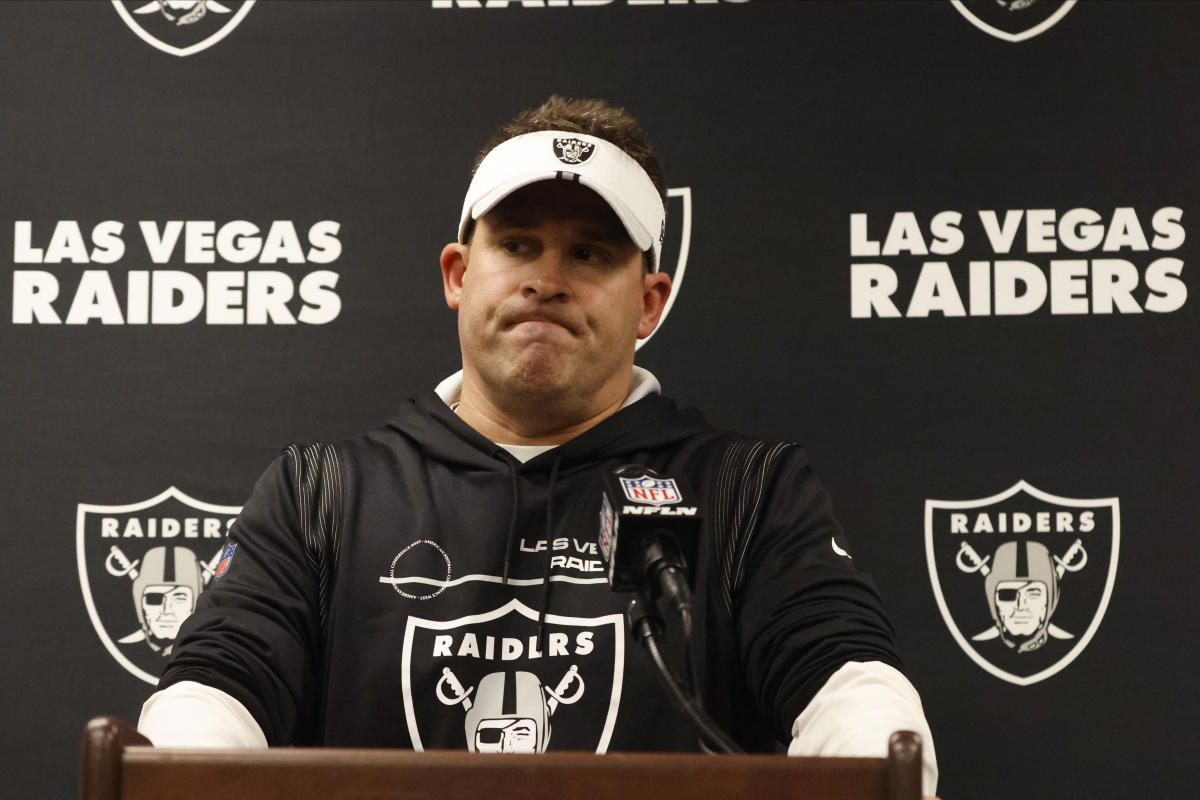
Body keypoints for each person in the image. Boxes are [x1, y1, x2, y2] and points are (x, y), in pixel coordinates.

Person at [139, 96, 938, 796]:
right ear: (458, 274)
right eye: (518, 244)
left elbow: (845, 679)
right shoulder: (320, 494)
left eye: (589, 253)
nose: (547, 279)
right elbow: (217, 687)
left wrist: (879, 767)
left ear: (650, 301)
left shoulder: (746, 489)